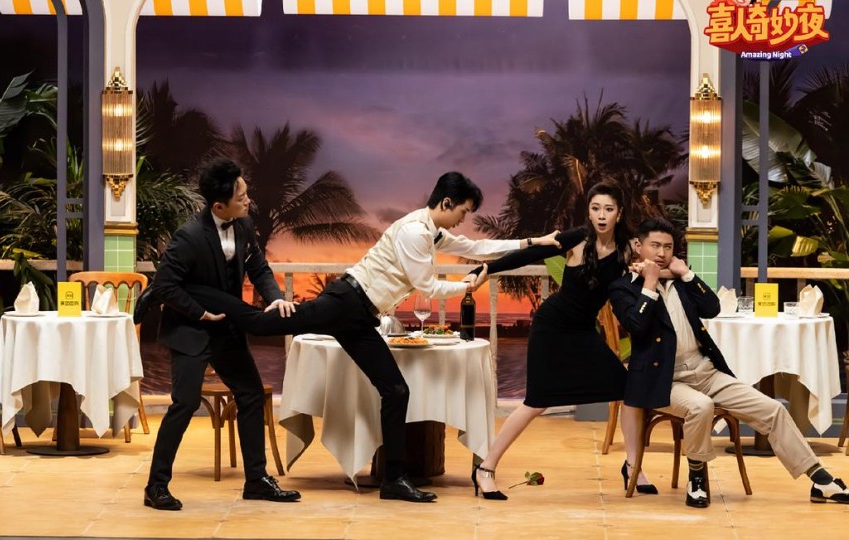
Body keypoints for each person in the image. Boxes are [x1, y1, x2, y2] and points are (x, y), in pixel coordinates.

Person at [170, 171, 560, 503]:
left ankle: (394, 480)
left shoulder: (430, 230)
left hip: (359, 317)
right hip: (345, 304)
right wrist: (466, 287)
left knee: (396, 390)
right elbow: (426, 286)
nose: (463, 219)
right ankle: (204, 296)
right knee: (260, 324)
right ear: (446, 202)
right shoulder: (414, 233)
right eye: (463, 211)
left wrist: (532, 243)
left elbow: (476, 247)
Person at [608, 217, 849, 508]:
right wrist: (649, 283)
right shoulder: (623, 288)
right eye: (655, 246)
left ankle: (820, 479)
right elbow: (636, 325)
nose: (662, 253)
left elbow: (712, 308)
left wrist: (687, 275)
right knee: (700, 407)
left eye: (668, 247)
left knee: (772, 410)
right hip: (664, 380)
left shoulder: (680, 281)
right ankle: (697, 477)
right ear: (638, 246)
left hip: (706, 372)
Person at [468, 181, 653, 500]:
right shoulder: (577, 239)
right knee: (536, 402)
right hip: (552, 327)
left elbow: (653, 261)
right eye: (596, 208)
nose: (602, 215)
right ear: (589, 212)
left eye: (609, 209)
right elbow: (530, 254)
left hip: (583, 331)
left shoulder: (626, 249)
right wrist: (487, 268)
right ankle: (486, 468)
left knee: (628, 390)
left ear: (619, 213)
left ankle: (633, 467)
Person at [143, 159, 301, 511]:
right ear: (218, 205)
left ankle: (256, 480)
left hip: (226, 328)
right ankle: (156, 486)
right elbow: (165, 286)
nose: (248, 200)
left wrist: (275, 298)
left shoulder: (243, 225)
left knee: (250, 394)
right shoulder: (188, 236)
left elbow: (259, 268)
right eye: (241, 197)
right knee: (184, 404)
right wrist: (200, 313)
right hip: (190, 329)